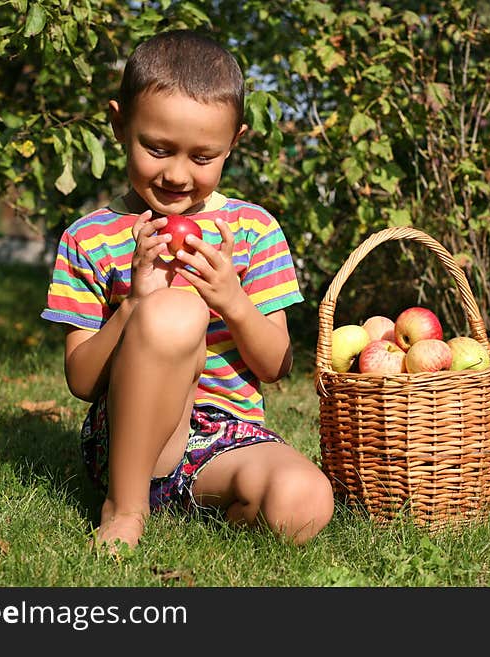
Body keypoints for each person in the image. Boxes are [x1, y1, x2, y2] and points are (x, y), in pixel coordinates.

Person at [41, 29, 334, 553]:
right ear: (118, 123)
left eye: (203, 157)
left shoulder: (253, 231)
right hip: (133, 443)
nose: (177, 174)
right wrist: (133, 304)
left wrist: (232, 301)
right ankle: (126, 505)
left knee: (305, 501)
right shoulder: (89, 238)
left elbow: (276, 365)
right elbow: (82, 380)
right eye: (157, 149)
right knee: (173, 311)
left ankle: (190, 500)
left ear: (234, 143)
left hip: (228, 439)